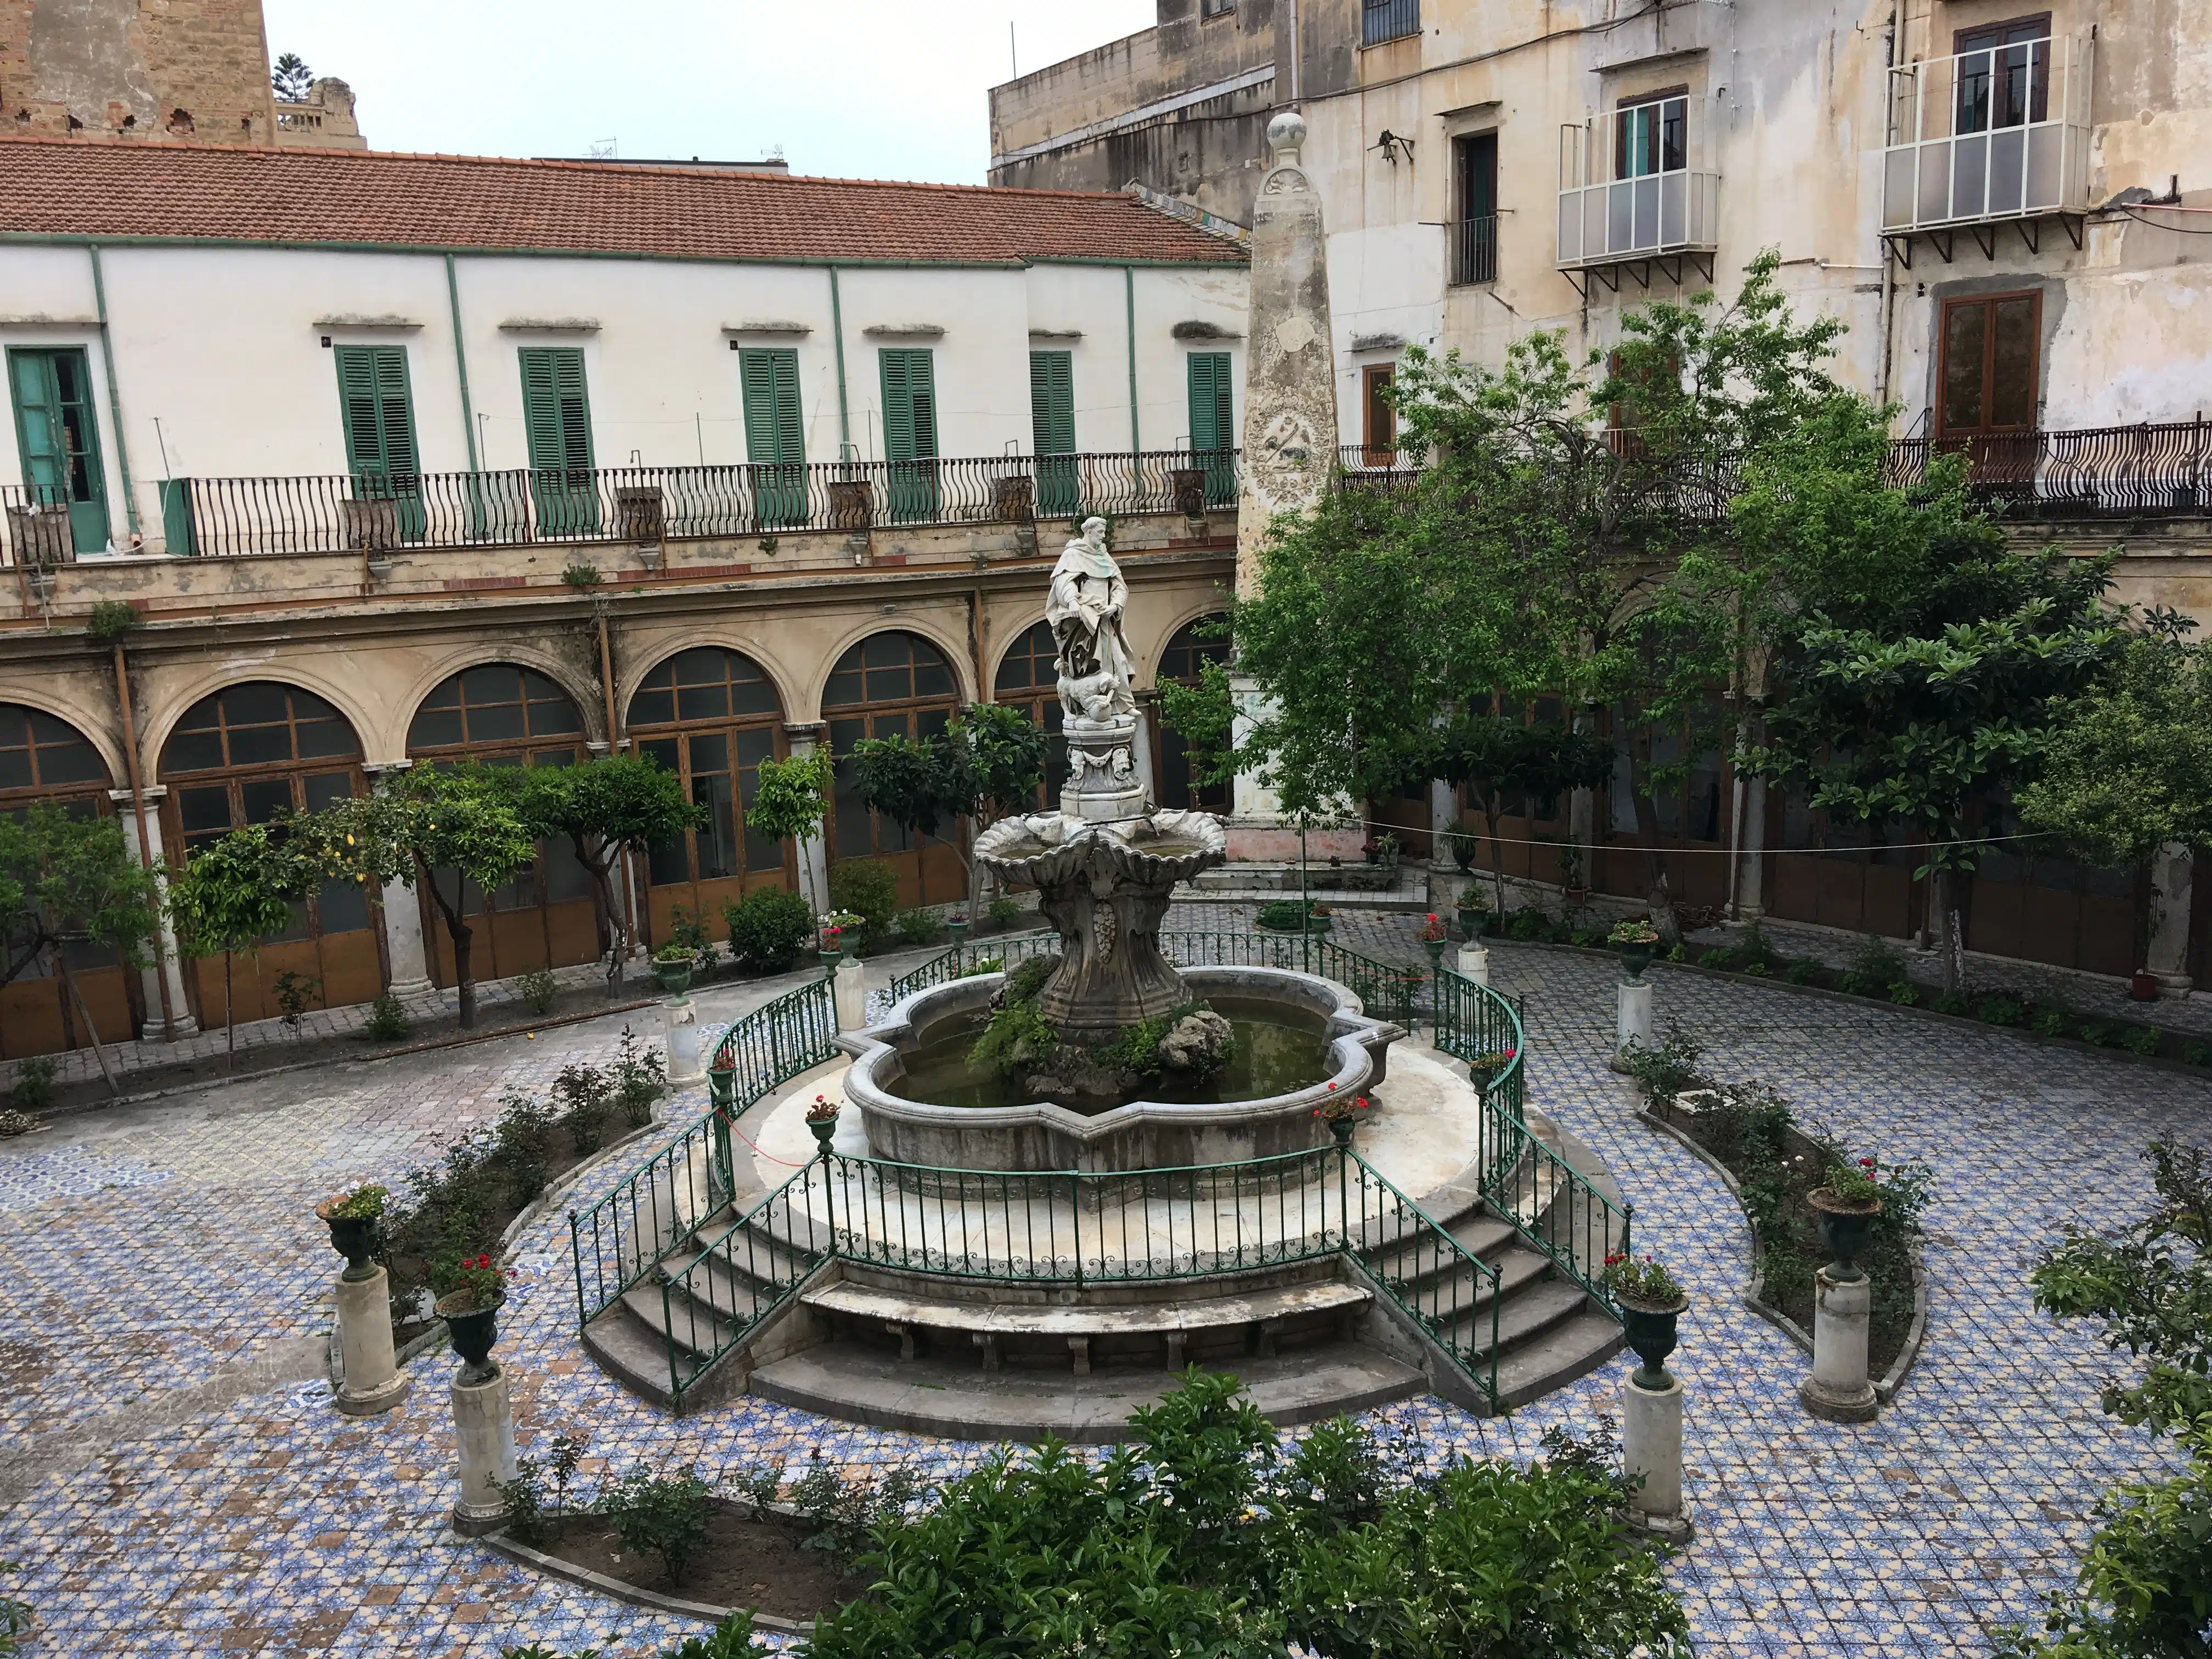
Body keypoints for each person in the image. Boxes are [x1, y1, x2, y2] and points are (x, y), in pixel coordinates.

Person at [1046, 517, 1136, 722]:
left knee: (1119, 661)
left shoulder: (1104, 556)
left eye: (1104, 532)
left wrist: (1114, 606)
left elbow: (1119, 587)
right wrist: (1073, 603)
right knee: (1089, 667)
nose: (1103, 536)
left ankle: (1122, 705)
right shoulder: (1073, 555)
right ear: (1088, 532)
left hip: (1105, 620)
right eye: (1100, 532)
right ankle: (1087, 708)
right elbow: (1064, 583)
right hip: (1084, 623)